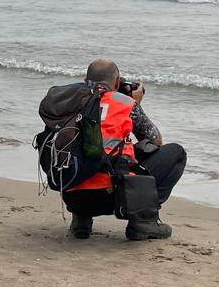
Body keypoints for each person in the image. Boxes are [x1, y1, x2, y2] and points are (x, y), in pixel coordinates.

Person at [62, 60, 186, 240]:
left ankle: (81, 221)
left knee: (82, 153)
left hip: (73, 195)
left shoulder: (69, 102)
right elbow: (155, 140)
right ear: (117, 82)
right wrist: (135, 103)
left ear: (85, 80)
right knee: (177, 153)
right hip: (113, 197)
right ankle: (143, 220)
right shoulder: (124, 103)